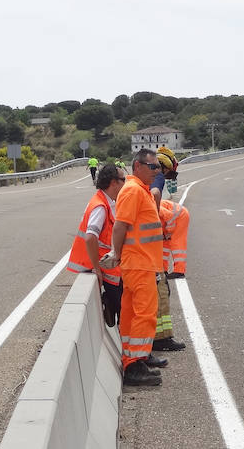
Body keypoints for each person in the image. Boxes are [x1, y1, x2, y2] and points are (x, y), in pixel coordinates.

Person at [101, 148, 165, 386]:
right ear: (137, 166)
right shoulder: (133, 191)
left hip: (140, 262)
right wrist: (117, 253)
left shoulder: (140, 191)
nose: (156, 171)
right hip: (139, 263)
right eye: (153, 167)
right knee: (144, 313)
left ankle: (132, 357)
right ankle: (135, 364)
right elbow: (120, 226)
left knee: (130, 312)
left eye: (158, 167)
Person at [67, 163, 126, 327]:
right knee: (126, 313)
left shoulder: (105, 202)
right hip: (107, 270)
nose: (125, 184)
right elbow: (90, 237)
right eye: (123, 180)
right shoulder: (100, 206)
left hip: (109, 268)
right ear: (113, 183)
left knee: (124, 312)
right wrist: (97, 269)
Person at [149, 147, 186, 352]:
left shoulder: (137, 183)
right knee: (161, 293)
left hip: (142, 252)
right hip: (146, 252)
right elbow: (154, 198)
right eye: (168, 172)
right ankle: (160, 339)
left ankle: (157, 338)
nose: (166, 177)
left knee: (158, 293)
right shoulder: (157, 181)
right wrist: (155, 225)